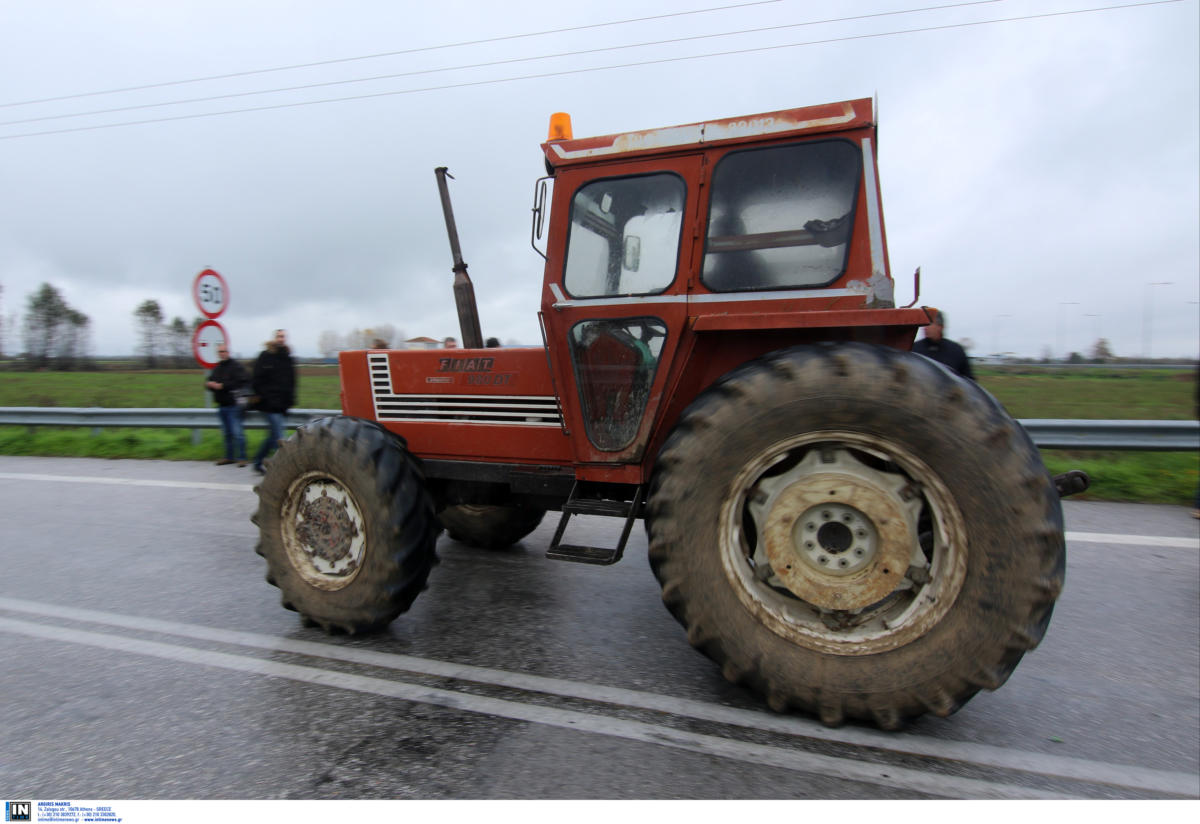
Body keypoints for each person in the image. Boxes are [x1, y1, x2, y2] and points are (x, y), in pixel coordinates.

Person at [251, 329, 297, 474]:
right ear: (274, 338)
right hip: (269, 405)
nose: (281, 339)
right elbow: (256, 379)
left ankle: (258, 461)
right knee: (279, 437)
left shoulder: (288, 358)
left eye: (283, 336)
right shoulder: (266, 356)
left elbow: (292, 382)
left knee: (272, 436)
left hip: (282, 405)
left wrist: (290, 400)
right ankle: (283, 471)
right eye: (278, 336)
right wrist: (264, 396)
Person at [204, 345, 249, 466]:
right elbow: (208, 382)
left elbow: (241, 382)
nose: (222, 353)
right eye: (220, 352)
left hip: (234, 405)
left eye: (224, 351)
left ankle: (242, 457)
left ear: (228, 352)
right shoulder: (217, 368)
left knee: (237, 433)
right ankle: (229, 457)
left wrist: (223, 386)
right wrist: (209, 385)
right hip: (221, 405)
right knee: (227, 433)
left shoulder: (236, 366)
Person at [912, 307, 974, 380]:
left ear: (941, 327)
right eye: (925, 324)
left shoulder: (956, 351)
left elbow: (969, 382)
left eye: (930, 324)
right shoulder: (914, 350)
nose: (925, 328)